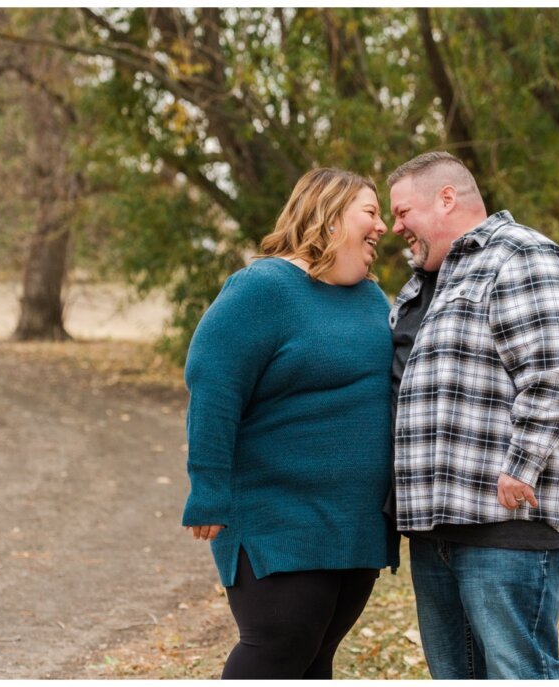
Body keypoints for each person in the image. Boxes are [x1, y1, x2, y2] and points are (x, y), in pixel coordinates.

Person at [387, 152, 559, 679]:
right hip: (436, 529)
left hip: (507, 524)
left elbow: (553, 368)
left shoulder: (521, 255)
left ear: (446, 198)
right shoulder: (420, 285)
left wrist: (522, 464)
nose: (394, 227)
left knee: (517, 672)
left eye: (401, 211)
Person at [181, 168, 399, 680]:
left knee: (315, 656)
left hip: (355, 522)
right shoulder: (263, 288)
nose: (383, 227)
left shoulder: (371, 298)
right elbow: (214, 384)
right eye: (370, 212)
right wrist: (207, 487)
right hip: (280, 517)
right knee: (276, 651)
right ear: (328, 216)